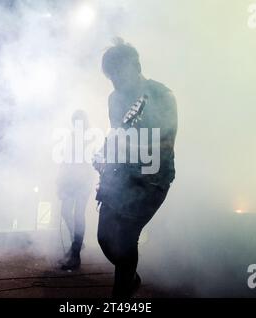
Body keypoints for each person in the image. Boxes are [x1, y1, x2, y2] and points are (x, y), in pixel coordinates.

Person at [95, 39, 178, 298]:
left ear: (136, 66)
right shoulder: (114, 99)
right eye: (111, 77)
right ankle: (130, 278)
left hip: (151, 181)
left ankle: (120, 296)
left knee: (125, 236)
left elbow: (165, 143)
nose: (115, 82)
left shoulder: (162, 95)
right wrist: (104, 154)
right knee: (104, 239)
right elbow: (115, 133)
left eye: (119, 74)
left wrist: (133, 155)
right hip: (120, 176)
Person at [57, 110, 96, 270]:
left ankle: (76, 253)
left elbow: (91, 159)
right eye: (74, 122)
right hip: (71, 180)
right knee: (65, 211)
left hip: (83, 181)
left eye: (78, 121)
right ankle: (76, 243)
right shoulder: (72, 136)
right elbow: (66, 159)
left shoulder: (90, 137)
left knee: (78, 214)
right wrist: (61, 181)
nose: (76, 124)